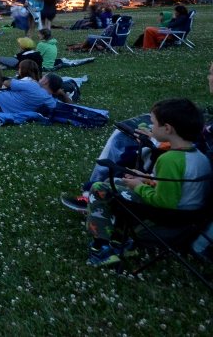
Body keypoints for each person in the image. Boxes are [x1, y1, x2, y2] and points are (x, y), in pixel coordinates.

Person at [82, 98, 211, 267]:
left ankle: (101, 248)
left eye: (153, 123)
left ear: (167, 129)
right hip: (190, 214)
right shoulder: (199, 156)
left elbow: (165, 201)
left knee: (100, 189)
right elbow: (177, 185)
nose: (151, 127)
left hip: (169, 215)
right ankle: (121, 240)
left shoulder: (170, 159)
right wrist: (147, 178)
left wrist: (139, 186)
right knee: (115, 182)